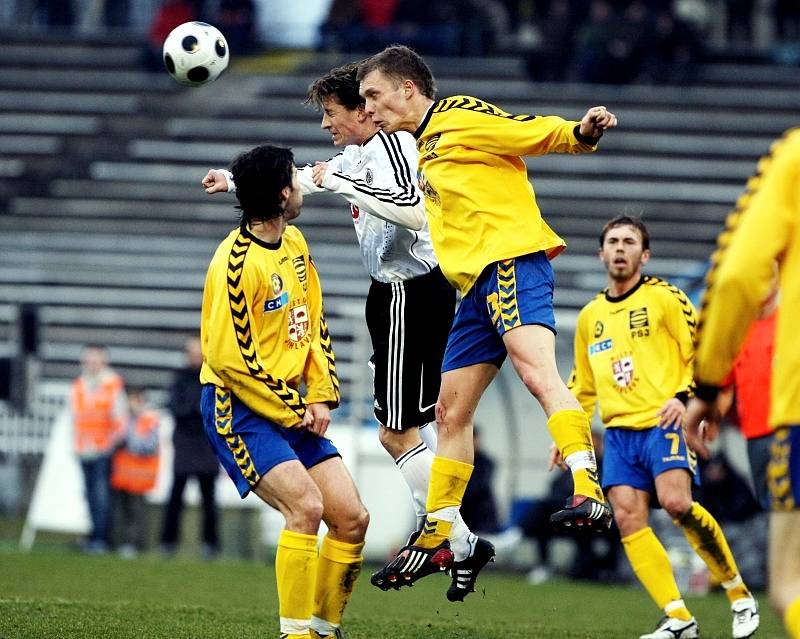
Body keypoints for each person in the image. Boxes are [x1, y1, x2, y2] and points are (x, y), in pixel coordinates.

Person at [201, 63, 492, 602]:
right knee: (418, 424)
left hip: (410, 288)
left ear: (364, 110)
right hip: (395, 294)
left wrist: (339, 180)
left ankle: (451, 535)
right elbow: (308, 174)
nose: (326, 125)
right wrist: (238, 180)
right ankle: (454, 533)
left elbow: (416, 212)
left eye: (332, 113)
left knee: (397, 431)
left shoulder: (394, 148)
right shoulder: (359, 154)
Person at [356, 44, 614, 590]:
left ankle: (588, 488)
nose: (369, 109)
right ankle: (440, 527)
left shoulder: (459, 115)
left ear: (407, 89)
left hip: (511, 265)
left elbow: (527, 130)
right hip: (472, 288)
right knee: (449, 414)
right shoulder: (423, 148)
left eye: (374, 96)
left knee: (538, 373)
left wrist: (580, 132)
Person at [200, 143, 369, 639]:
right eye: (294, 179)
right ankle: (294, 635)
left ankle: (323, 629)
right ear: (280, 195)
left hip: (291, 403)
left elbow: (311, 322)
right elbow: (229, 360)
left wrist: (319, 394)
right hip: (239, 408)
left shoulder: (294, 242)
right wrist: (295, 406)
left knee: (352, 518)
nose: (301, 185)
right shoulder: (235, 264)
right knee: (307, 509)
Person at [566, 216, 759, 639]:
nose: (620, 248)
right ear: (601, 253)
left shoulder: (667, 298)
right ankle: (678, 616)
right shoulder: (589, 317)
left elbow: (702, 355)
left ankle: (739, 594)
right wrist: (568, 437)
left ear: (644, 254)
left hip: (664, 421)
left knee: (676, 504)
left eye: (629, 242)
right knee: (629, 518)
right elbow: (581, 385)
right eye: (612, 241)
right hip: (618, 434)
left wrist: (684, 399)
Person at [684, 128, 800, 639]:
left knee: (789, 584)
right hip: (757, 430)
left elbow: (733, 278)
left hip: (788, 421)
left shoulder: (792, 156)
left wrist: (704, 387)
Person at [161, 335, 220, 558]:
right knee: (176, 495)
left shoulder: (213, 377)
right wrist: (197, 411)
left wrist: (193, 411)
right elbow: (177, 408)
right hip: (186, 444)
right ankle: (168, 542)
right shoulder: (180, 379)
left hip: (206, 445)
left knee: (209, 499)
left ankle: (210, 543)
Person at [70, 343, 127, 554]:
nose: (92, 364)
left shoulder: (111, 383)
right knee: (91, 496)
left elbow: (119, 416)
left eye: (96, 360)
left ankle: (102, 538)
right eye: (89, 359)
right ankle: (95, 535)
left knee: (102, 495)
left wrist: (113, 441)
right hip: (84, 448)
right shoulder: (79, 384)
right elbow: (75, 417)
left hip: (104, 448)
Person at [110, 387, 160, 558]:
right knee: (123, 510)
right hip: (124, 474)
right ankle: (121, 542)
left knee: (136, 511)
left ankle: (134, 544)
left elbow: (148, 446)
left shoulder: (149, 419)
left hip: (140, 475)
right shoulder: (123, 419)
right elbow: (114, 440)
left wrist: (129, 440)